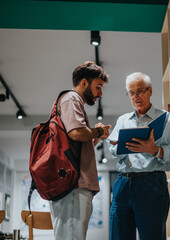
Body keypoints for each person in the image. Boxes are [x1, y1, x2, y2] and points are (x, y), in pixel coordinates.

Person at [107, 72, 170, 240]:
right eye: (131, 93)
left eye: (140, 91)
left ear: (150, 91)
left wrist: (154, 150)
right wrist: (115, 146)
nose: (136, 96)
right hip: (122, 184)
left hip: (151, 184)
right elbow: (113, 153)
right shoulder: (123, 120)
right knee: (118, 236)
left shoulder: (164, 118)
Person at [49, 61, 111, 240]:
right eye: (98, 87)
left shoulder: (74, 102)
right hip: (73, 186)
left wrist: (95, 137)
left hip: (75, 185)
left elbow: (76, 144)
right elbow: (76, 133)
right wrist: (98, 131)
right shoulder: (71, 98)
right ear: (84, 83)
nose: (100, 93)